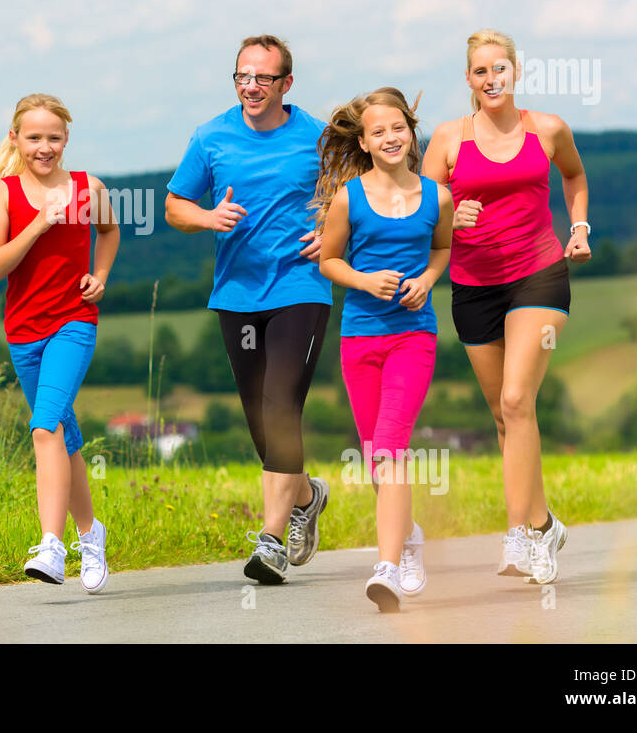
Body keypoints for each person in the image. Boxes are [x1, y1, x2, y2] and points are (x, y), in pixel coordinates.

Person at [421, 30, 592, 585]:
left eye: (500, 68)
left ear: (516, 72)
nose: (491, 79)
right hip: (474, 288)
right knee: (503, 416)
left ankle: (524, 535)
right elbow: (422, 215)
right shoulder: (448, 139)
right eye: (480, 71)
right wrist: (450, 218)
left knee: (518, 400)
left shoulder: (548, 129)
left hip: (539, 274)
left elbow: (574, 175)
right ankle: (542, 524)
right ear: (468, 80)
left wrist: (580, 226)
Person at [165, 34, 333, 585]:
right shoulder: (210, 136)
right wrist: (207, 217)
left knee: (280, 402)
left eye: (263, 78)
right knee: (260, 415)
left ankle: (272, 540)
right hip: (237, 295)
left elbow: (358, 195)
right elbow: (173, 206)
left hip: (301, 288)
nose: (251, 87)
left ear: (287, 83)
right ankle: (307, 495)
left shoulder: (317, 136)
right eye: (242, 76)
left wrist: (331, 234)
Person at [314, 88, 453, 611]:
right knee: (376, 456)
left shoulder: (437, 195)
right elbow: (328, 261)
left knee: (391, 447)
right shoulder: (349, 197)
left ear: (410, 132)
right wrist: (365, 281)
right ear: (366, 142)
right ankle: (409, 537)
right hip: (360, 338)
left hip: (413, 337)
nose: (391, 138)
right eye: (379, 132)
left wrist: (429, 279)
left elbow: (441, 247)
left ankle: (388, 566)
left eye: (398, 128)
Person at [0, 94, 120, 593]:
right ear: (16, 139)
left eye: (54, 138)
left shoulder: (88, 187)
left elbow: (109, 230)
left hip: (74, 322)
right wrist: (39, 223)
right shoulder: (5, 193)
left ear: (66, 140)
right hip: (24, 332)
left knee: (42, 428)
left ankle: (52, 546)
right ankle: (91, 534)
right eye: (33, 137)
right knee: (63, 435)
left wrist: (99, 275)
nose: (44, 147)